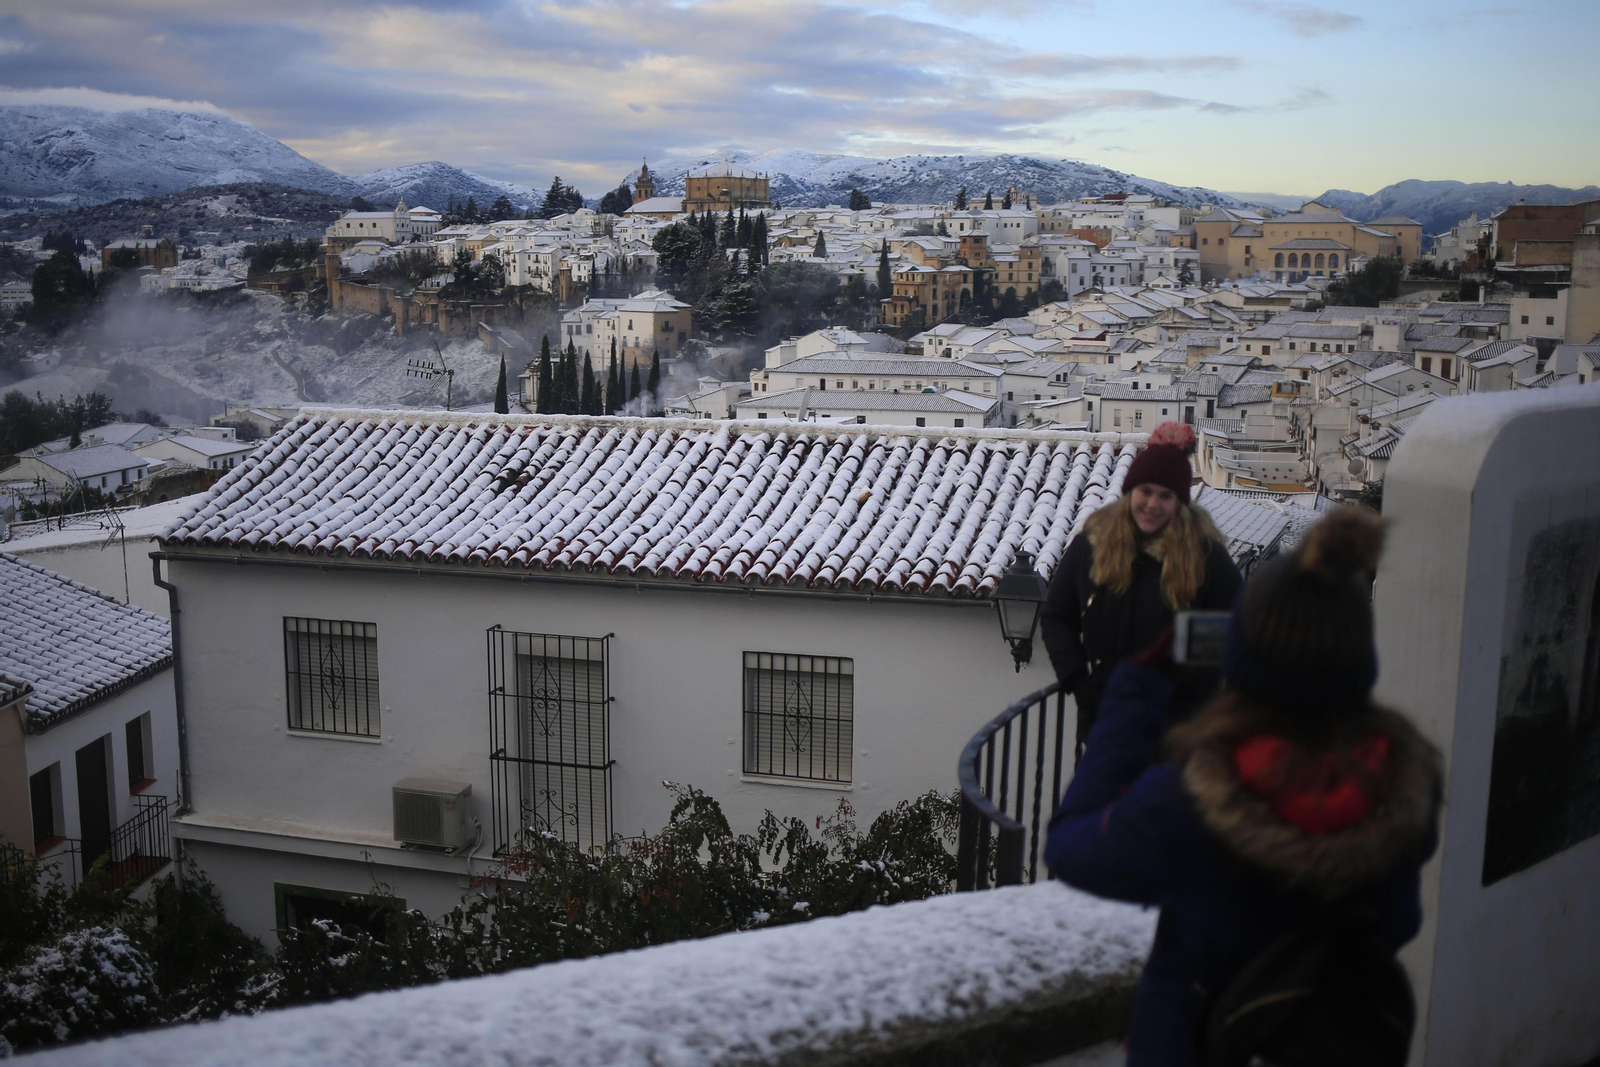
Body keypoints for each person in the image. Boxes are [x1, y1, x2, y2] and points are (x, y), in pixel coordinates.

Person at [1043, 508, 1443, 1067]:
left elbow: (1069, 847)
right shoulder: (1401, 792)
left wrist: (1136, 692)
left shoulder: (1191, 803)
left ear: (1245, 657)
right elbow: (1400, 923)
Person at [1040, 422, 1242, 750]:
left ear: (1179, 504)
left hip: (1179, 732)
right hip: (1105, 721)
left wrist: (1194, 689)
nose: (1152, 504)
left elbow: (1235, 626)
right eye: (1145, 492)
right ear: (1130, 492)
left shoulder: (1205, 556)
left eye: (1166, 496)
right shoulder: (1090, 547)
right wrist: (1079, 681)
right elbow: (1057, 617)